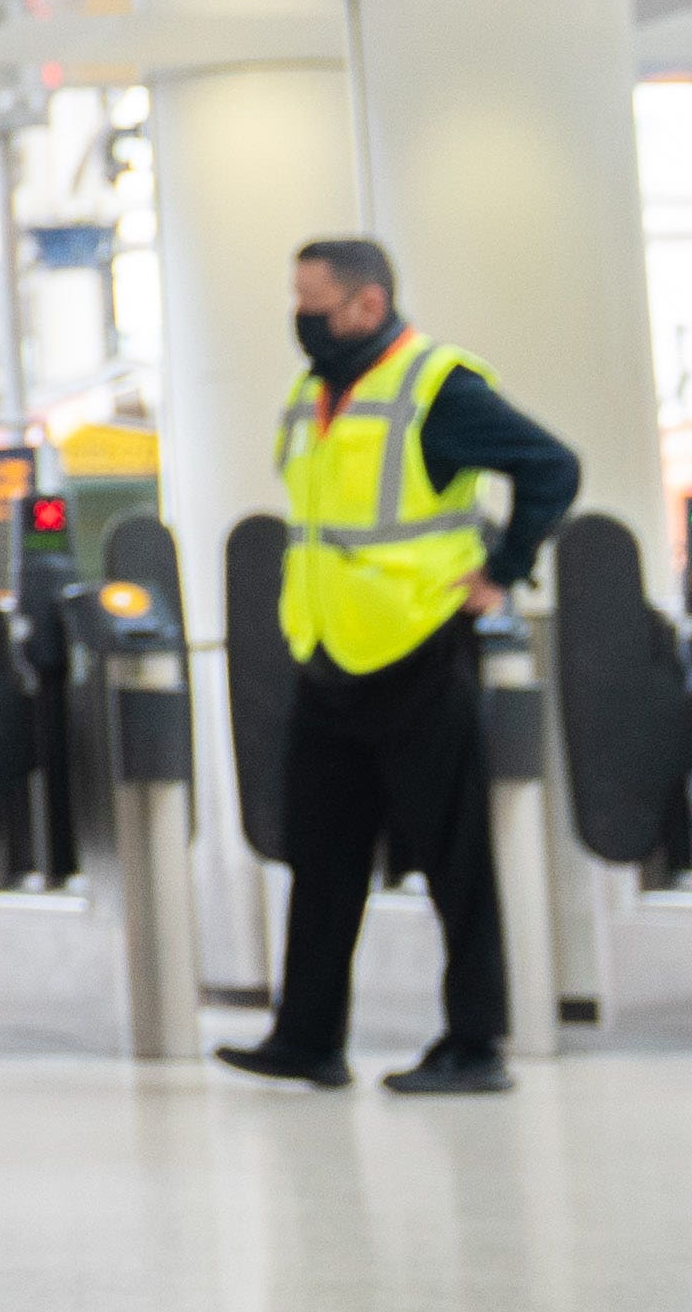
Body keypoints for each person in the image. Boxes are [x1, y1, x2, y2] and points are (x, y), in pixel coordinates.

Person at [215, 236, 581, 1098]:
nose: (303, 322)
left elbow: (551, 467)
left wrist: (506, 568)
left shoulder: (437, 387)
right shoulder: (316, 394)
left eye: (316, 306)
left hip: (419, 649)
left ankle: (476, 1043)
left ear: (368, 306)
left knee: (454, 857)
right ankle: (307, 1037)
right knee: (322, 854)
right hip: (329, 651)